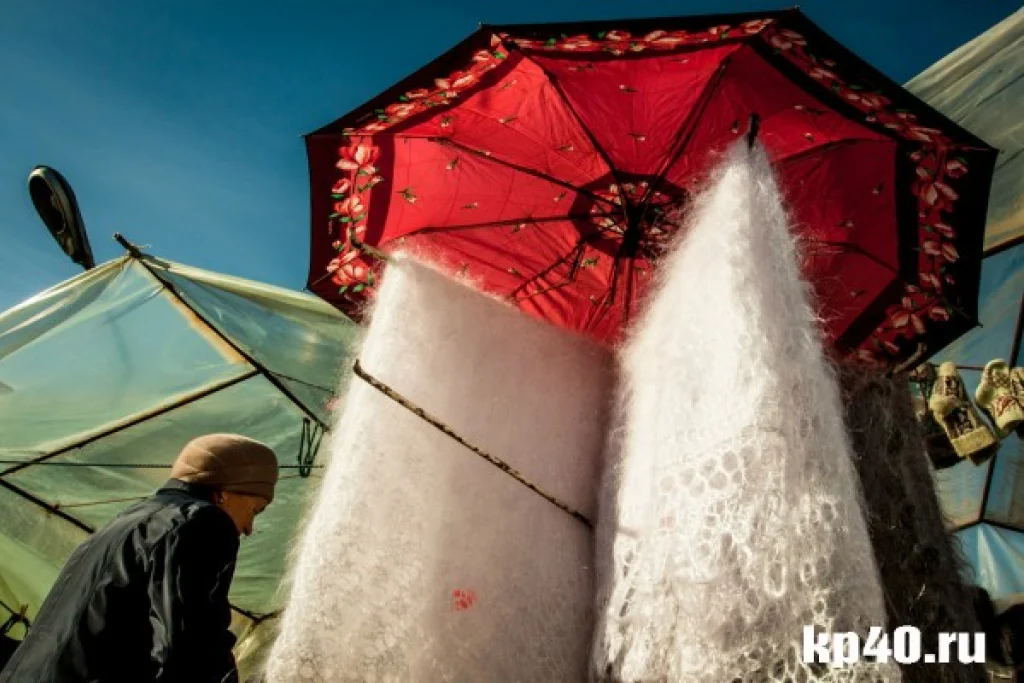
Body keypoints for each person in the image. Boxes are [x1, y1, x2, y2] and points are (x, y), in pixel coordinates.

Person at [0, 433, 279, 683]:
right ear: (223, 493)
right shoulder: (202, 523)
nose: (248, 528)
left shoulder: (130, 519)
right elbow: (188, 645)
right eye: (255, 511)